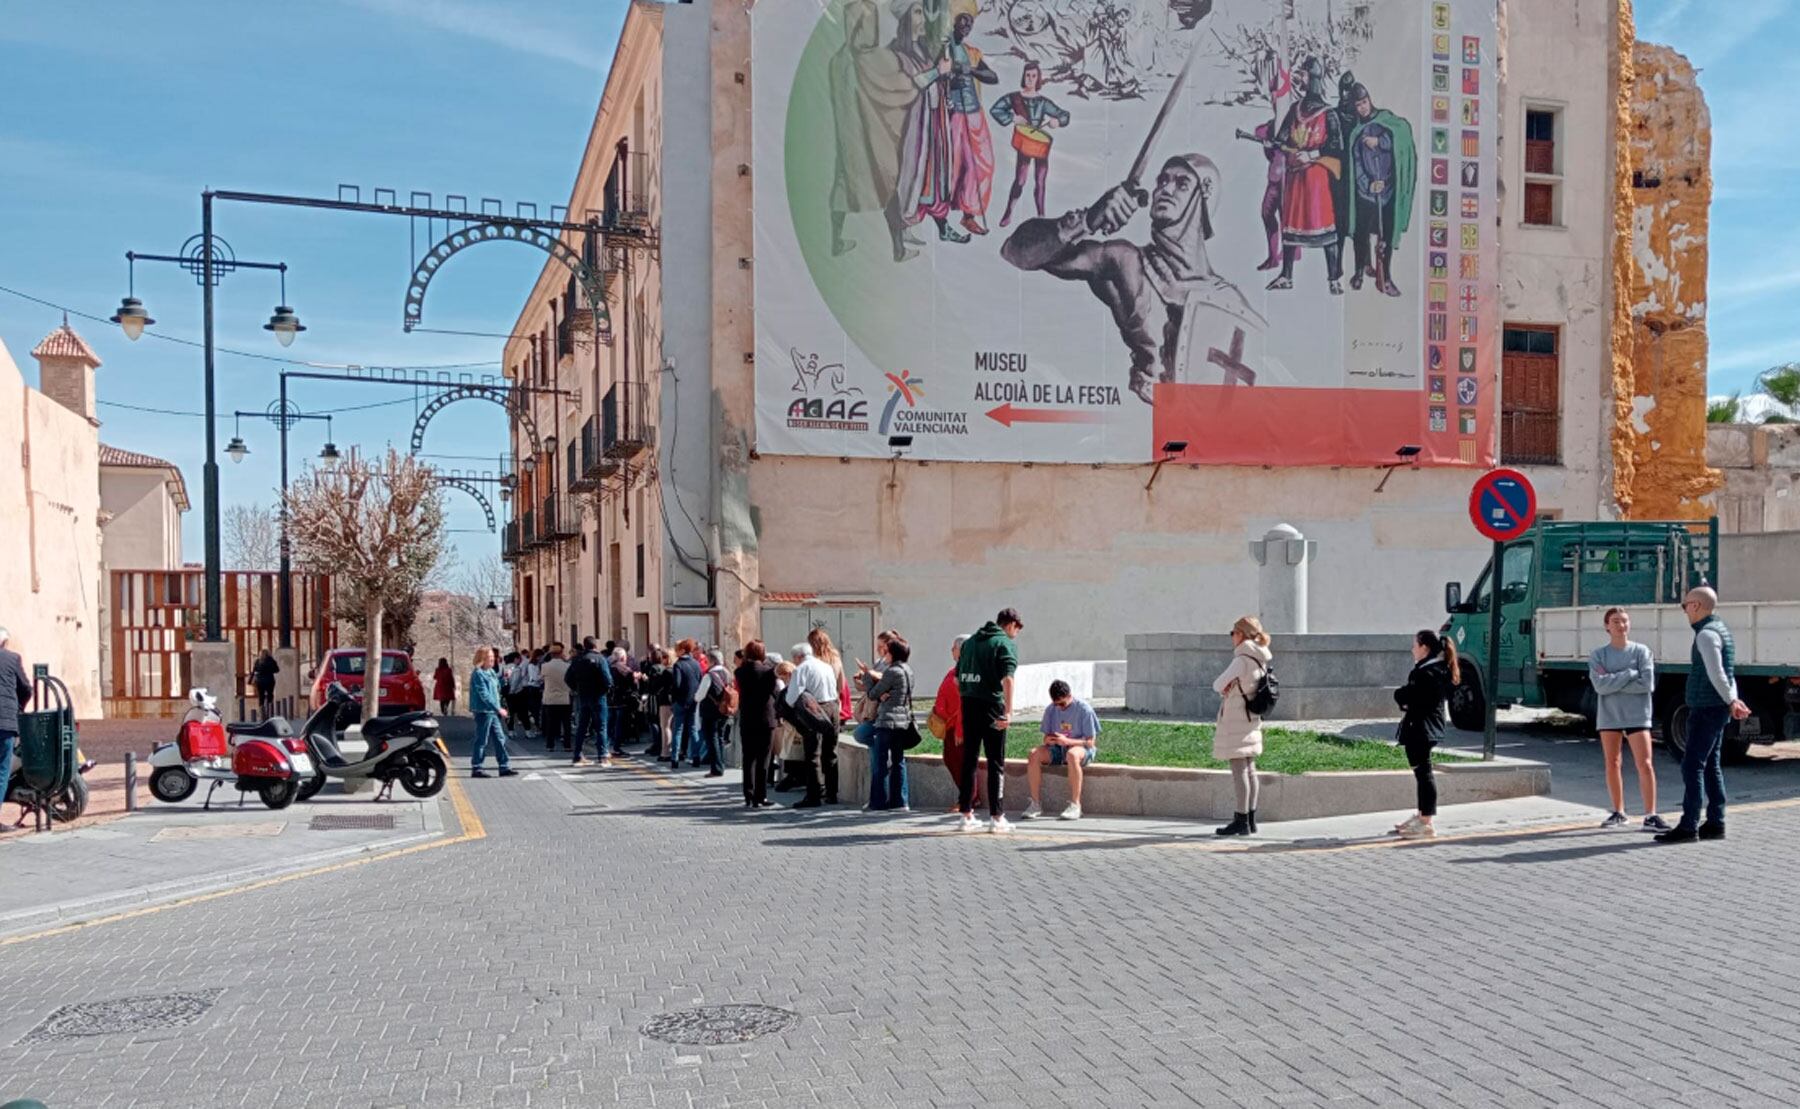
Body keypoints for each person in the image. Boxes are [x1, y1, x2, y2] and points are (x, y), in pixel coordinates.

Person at [1002, 153, 1264, 405]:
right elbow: (1017, 252)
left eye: (1182, 184)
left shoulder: (1227, 301)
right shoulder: (1125, 262)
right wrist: (1087, 220)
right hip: (1142, 414)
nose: (1165, 189)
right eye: (1162, 181)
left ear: (1203, 196)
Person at [1657, 587, 1752, 844]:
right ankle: (1715, 822)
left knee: (1692, 765)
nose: (1685, 610)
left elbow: (1716, 673)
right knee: (1711, 764)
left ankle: (1689, 826)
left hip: (1706, 708)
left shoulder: (1706, 635)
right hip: (1716, 707)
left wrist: (1731, 700)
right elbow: (1728, 673)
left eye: (1685, 605)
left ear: (1696, 606)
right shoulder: (1721, 629)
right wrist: (1731, 700)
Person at [1266, 56, 1347, 294]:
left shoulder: (1328, 114)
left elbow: (1336, 148)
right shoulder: (1295, 109)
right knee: (1291, 228)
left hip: (1317, 180)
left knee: (1325, 230)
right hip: (1295, 180)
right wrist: (1276, 144)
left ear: (1312, 78)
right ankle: (1286, 276)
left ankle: (1334, 279)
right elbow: (1282, 138)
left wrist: (1311, 155)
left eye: (1303, 74)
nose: (1299, 78)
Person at [1588, 608, 1668, 831]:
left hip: (1637, 715)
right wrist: (1630, 674)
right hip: (1610, 716)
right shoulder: (1598, 655)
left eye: (1624, 621)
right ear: (1607, 626)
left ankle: (1651, 814)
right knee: (1612, 762)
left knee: (1645, 763)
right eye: (1615, 621)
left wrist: (1613, 680)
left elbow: (1647, 684)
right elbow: (1600, 686)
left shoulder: (1642, 651)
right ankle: (1618, 811)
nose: (1621, 625)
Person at [1344, 82, 1416, 297]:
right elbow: (1356, 165)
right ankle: (1359, 272)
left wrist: (1381, 141)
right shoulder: (1356, 133)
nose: (1362, 108)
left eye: (1364, 102)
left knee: (1386, 237)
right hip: (1366, 194)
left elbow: (1402, 135)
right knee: (1361, 234)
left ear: (1369, 100)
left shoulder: (1387, 121)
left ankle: (1386, 279)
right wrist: (1367, 184)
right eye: (1358, 105)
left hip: (1388, 192)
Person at [956, 608, 1021, 833]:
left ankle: (966, 814)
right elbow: (1008, 679)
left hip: (968, 703)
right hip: (992, 705)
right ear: (1011, 624)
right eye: (1018, 628)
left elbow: (957, 678)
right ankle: (997, 817)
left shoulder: (969, 643)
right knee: (995, 762)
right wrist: (1009, 712)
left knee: (969, 759)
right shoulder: (1004, 643)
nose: (1017, 633)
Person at [1392, 629, 1460, 839]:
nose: (1412, 649)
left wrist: (1401, 696)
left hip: (1422, 729)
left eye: (1415, 645)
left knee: (1424, 773)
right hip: (1424, 727)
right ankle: (1422, 815)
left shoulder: (1428, 673)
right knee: (1422, 773)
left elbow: (1411, 696)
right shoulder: (1431, 670)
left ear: (1425, 648)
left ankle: (1426, 822)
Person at [1212, 616, 1273, 837]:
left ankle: (1241, 820)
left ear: (1241, 635)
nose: (1231, 637)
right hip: (1251, 718)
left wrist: (1226, 686)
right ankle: (1251, 818)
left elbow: (1217, 684)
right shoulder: (1260, 657)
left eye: (1233, 633)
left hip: (1236, 719)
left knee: (1239, 770)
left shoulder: (1242, 659)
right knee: (1250, 768)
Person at [991, 60, 1070, 228]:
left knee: (1040, 182)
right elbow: (995, 109)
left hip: (1040, 144)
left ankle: (1041, 217)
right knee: (1020, 180)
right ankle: (1008, 212)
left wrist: (1057, 121)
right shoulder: (1014, 98)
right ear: (1023, 77)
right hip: (1024, 143)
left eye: (1034, 76)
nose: (1030, 79)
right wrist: (1013, 118)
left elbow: (1064, 115)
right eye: (1027, 75)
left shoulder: (1043, 102)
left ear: (1038, 78)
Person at [1023, 679, 1098, 821]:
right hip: (1058, 747)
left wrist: (1068, 742)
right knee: (1033, 754)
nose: (1059, 708)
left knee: (1072, 754)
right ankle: (1035, 804)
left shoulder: (1084, 710)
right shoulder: (1051, 710)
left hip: (1081, 748)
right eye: (1056, 704)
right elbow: (1045, 737)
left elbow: (1090, 742)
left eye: (1062, 704)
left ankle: (1075, 805)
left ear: (1070, 696)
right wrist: (1049, 740)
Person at [785, 642, 842, 808]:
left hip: (815, 709)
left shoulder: (801, 669)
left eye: (794, 658)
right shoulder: (826, 666)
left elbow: (791, 697)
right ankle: (832, 794)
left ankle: (814, 795)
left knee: (813, 754)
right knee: (831, 752)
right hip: (833, 707)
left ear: (798, 656)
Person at [864, 635, 917, 811]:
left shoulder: (892, 671)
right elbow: (896, 693)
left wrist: (867, 677)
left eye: (886, 652)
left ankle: (877, 801)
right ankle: (900, 801)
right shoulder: (908, 670)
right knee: (898, 760)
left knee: (880, 761)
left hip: (887, 721)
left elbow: (872, 694)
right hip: (903, 721)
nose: (884, 655)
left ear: (893, 654)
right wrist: (883, 694)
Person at [932, 634, 977, 812]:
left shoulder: (966, 673)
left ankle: (968, 799)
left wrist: (960, 729)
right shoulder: (956, 670)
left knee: (961, 762)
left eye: (954, 648)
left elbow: (964, 704)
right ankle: (968, 796)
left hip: (960, 725)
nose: (951, 650)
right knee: (951, 759)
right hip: (950, 724)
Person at [736, 641, 781, 808]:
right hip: (766, 718)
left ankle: (748, 794)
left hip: (747, 718)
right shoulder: (768, 672)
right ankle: (760, 796)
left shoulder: (740, 672)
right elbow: (776, 693)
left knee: (748, 757)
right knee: (764, 758)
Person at [0, 628, 35, 833]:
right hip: (5, 724)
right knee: (1, 771)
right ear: (4, 643)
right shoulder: (12, 659)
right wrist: (19, 708)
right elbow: (26, 689)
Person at [468, 647, 515, 779]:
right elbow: (484, 694)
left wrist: (504, 679)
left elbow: (496, 687)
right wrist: (498, 708)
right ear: (482, 659)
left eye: (493, 657)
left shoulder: (490, 672)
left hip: (492, 710)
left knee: (500, 738)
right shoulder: (478, 674)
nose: (493, 660)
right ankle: (477, 766)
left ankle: (504, 766)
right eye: (490, 658)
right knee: (482, 739)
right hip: (483, 710)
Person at [566, 637, 614, 767]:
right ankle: (602, 756)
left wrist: (577, 688)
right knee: (601, 726)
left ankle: (577, 755)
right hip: (598, 696)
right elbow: (607, 679)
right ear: (595, 645)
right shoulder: (600, 659)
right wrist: (605, 690)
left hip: (583, 696)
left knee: (582, 726)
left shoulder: (577, 659)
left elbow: (568, 678)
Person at [695, 647, 731, 777]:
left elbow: (700, 695)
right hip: (724, 709)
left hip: (710, 711)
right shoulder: (727, 673)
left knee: (712, 739)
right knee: (720, 738)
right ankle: (720, 764)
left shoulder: (709, 675)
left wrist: (695, 697)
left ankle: (716, 768)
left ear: (712, 661)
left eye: (708, 660)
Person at [669, 640, 703, 768]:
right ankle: (696, 757)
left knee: (678, 730)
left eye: (677, 649)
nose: (675, 652)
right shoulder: (696, 664)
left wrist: (674, 699)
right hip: (693, 700)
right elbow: (699, 680)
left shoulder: (678, 665)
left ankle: (675, 759)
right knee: (693, 729)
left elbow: (676, 684)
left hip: (680, 701)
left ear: (682, 650)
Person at [539, 643, 573, 753]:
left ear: (551, 654)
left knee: (550, 723)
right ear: (561, 653)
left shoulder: (545, 666)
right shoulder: (567, 666)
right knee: (566, 723)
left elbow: (541, 679)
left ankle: (550, 745)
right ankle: (567, 745)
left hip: (550, 698)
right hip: (564, 697)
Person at [642, 646, 673, 758]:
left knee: (654, 721)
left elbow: (654, 685)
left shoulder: (654, 668)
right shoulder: (664, 668)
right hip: (661, 698)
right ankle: (660, 745)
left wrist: (646, 680)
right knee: (662, 724)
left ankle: (657, 745)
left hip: (655, 698)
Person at [252, 648, 280, 719]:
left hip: (260, 681)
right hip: (269, 680)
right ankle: (270, 711)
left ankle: (262, 712)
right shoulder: (271, 661)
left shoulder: (258, 661)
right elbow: (277, 670)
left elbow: (254, 670)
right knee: (270, 695)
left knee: (261, 696)